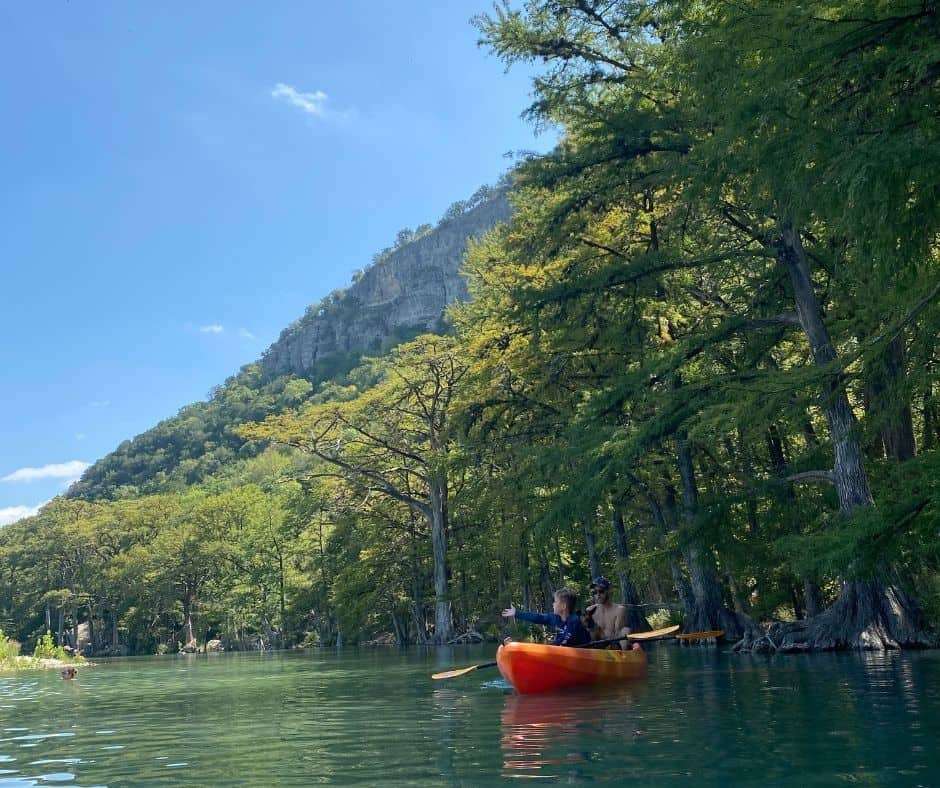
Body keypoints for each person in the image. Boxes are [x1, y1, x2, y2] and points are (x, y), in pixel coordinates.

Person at [502, 587, 591, 647]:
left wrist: (523, 646)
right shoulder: (555, 618)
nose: (553, 604)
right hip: (563, 652)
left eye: (555, 601)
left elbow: (565, 642)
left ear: (563, 606)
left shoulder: (574, 621)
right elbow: (538, 617)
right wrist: (517, 613)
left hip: (581, 654)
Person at [586, 576, 640, 651]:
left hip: (614, 647)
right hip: (597, 647)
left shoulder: (619, 610)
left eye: (601, 591)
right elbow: (589, 635)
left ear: (608, 591)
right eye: (594, 592)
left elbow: (618, 634)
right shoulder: (590, 610)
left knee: (625, 630)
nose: (597, 595)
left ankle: (623, 657)